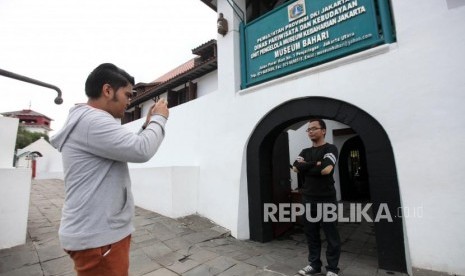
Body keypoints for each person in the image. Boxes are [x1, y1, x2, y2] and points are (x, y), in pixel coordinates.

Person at [50, 63, 169, 276]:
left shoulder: (89, 120)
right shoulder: (93, 120)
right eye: (127, 94)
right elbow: (141, 150)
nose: (130, 101)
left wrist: (146, 125)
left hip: (97, 234)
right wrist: (160, 118)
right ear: (107, 90)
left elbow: (126, 146)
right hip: (99, 237)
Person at [292, 119, 341, 276]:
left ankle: (332, 268)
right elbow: (295, 168)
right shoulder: (304, 151)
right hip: (308, 198)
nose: (310, 131)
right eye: (308, 130)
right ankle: (314, 264)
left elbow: (327, 170)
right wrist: (316, 164)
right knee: (311, 233)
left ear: (324, 130)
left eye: (314, 128)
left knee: (331, 234)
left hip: (326, 198)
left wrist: (307, 166)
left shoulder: (330, 148)